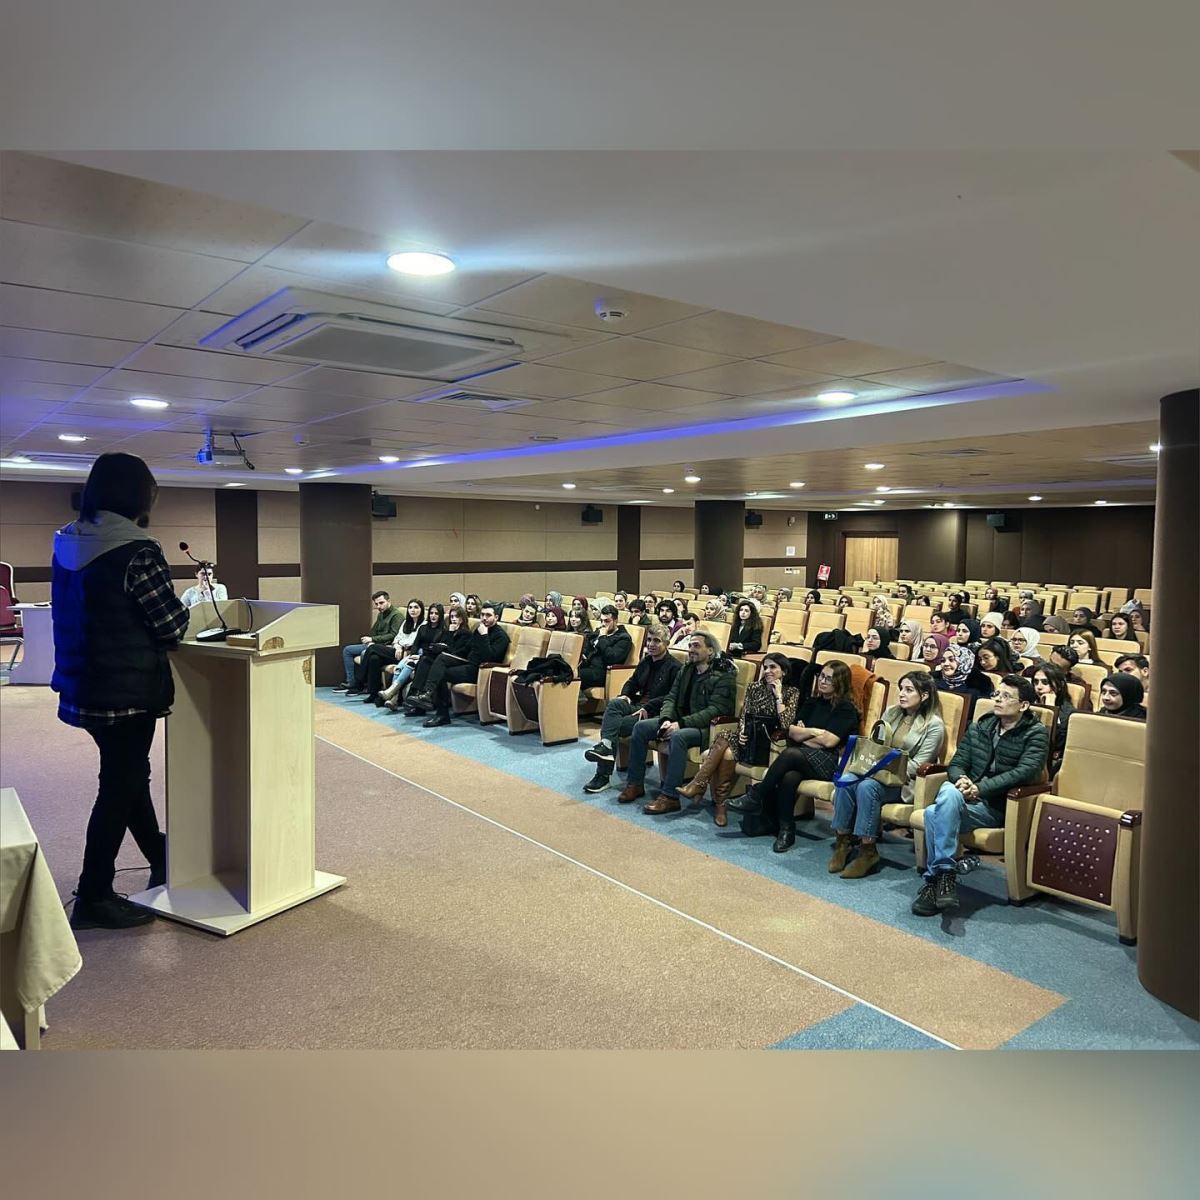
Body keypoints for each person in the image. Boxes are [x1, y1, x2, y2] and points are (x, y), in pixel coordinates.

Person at [51, 453, 189, 929]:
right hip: (126, 689)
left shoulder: (67, 541)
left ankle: (161, 856)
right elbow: (171, 625)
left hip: (82, 683)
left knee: (127, 776)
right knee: (119, 785)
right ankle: (93, 894)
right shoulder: (137, 549)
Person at [911, 675, 1049, 916]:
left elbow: (1025, 772)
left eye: (1006, 696)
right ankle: (945, 875)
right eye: (997, 694)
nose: (998, 699)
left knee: (934, 813)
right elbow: (957, 763)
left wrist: (980, 788)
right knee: (949, 791)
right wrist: (962, 780)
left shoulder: (1035, 733)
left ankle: (935, 880)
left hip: (997, 806)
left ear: (1024, 705)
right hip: (964, 798)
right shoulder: (981, 727)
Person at [732, 660, 859, 853]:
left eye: (829, 678)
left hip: (829, 762)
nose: (822, 681)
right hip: (803, 757)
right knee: (789, 777)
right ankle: (786, 829)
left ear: (840, 682)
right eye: (821, 676)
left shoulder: (845, 708)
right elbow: (791, 732)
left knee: (790, 753)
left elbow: (829, 742)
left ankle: (757, 795)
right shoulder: (812, 702)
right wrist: (814, 732)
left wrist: (805, 733)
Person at [829, 672, 946, 879]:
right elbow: (875, 747)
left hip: (903, 783)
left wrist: (881, 770)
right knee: (846, 781)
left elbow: (918, 765)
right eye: (901, 689)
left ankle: (868, 851)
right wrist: (872, 768)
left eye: (909, 690)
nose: (902, 694)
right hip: (875, 772)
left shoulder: (934, 725)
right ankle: (843, 842)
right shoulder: (891, 712)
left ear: (925, 695)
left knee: (867, 787)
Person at [617, 632, 736, 814]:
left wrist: (680, 723)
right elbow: (671, 698)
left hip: (707, 728)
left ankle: (670, 797)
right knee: (640, 727)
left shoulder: (723, 676)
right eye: (690, 646)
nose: (691, 650)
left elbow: (715, 711)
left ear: (710, 651)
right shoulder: (686, 670)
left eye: (696, 646)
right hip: (680, 720)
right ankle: (635, 783)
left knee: (678, 736)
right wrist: (666, 719)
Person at [678, 653, 799, 827]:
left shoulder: (791, 692)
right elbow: (745, 715)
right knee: (724, 738)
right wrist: (742, 730)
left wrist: (778, 696)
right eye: (765, 667)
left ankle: (702, 787)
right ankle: (716, 800)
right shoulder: (754, 687)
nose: (767, 671)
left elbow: (786, 724)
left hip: (769, 744)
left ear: (784, 671)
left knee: (727, 751)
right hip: (749, 738)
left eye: (773, 667)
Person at [582, 625, 681, 794]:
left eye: (657, 641)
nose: (651, 644)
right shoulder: (646, 661)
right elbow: (632, 682)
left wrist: (648, 707)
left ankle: (602, 776)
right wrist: (625, 695)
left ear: (667, 643)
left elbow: (671, 697)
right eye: (649, 640)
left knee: (613, 726)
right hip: (637, 704)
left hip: (656, 711)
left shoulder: (675, 667)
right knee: (615, 704)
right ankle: (606, 746)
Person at [409, 602, 509, 727]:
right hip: (467, 662)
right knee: (434, 660)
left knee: (441, 673)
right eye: (482, 615)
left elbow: (488, 657)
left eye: (488, 615)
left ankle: (440, 712)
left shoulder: (501, 636)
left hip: (480, 670)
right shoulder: (480, 629)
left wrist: (484, 636)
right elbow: (466, 649)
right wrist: (450, 654)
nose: (484, 618)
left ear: (496, 617)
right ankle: (425, 695)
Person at [402, 605, 472, 714]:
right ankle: (416, 695)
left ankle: (426, 695)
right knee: (424, 660)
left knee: (434, 664)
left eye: (456, 617)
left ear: (462, 619)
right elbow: (445, 647)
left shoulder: (466, 634)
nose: (453, 619)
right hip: (444, 659)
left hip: (457, 662)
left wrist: (450, 634)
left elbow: (453, 651)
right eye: (452, 617)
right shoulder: (448, 631)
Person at [354, 597, 424, 701]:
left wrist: (400, 645)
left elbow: (412, 642)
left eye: (416, 607)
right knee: (374, 658)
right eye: (410, 607)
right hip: (397, 651)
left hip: (408, 654)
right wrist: (398, 646)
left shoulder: (424, 624)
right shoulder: (406, 622)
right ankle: (373, 694)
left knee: (372, 647)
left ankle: (359, 680)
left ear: (421, 610)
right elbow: (397, 639)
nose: (413, 610)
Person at [335, 591, 403, 692]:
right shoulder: (381, 614)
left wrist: (373, 639)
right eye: (376, 604)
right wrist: (370, 640)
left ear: (389, 601)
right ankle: (351, 682)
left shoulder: (396, 615)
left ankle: (361, 684)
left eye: (381, 603)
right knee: (347, 650)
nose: (379, 606)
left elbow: (393, 635)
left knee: (365, 653)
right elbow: (374, 631)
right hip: (375, 644)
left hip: (386, 646)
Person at [380, 603, 444, 709]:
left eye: (436, 614)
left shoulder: (442, 631)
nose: (433, 616)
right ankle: (393, 698)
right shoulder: (423, 627)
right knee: (398, 668)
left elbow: (435, 649)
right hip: (416, 654)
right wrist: (413, 654)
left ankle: (392, 695)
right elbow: (416, 644)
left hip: (427, 657)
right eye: (431, 613)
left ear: (440, 615)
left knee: (409, 664)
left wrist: (418, 656)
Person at [1032, 663, 1076, 776]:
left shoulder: (1069, 713)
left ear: (1060, 685)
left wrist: (1051, 709)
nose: (1039, 687)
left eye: (1045, 682)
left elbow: (1056, 743)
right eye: (1036, 682)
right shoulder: (1029, 703)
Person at [577, 605, 633, 689]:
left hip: (603, 672)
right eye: (601, 620)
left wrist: (603, 637)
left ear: (615, 620)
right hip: (588, 666)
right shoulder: (598, 631)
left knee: (574, 675)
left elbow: (611, 658)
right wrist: (584, 654)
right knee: (563, 669)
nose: (603, 624)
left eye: (607, 621)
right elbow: (587, 647)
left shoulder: (624, 638)